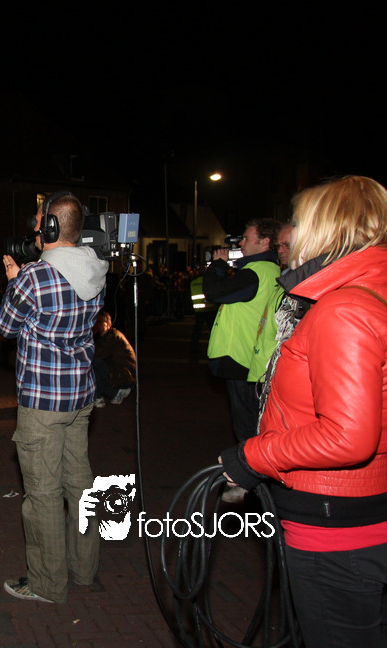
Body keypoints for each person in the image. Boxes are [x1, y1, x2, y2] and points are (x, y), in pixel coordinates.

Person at [220, 176, 387, 648]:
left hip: (336, 528)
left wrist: (252, 457)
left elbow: (347, 436)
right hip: (361, 512)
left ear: (325, 228)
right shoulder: (369, 292)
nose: (288, 232)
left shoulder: (344, 310)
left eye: (296, 221)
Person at [0, 191, 109, 603]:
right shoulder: (97, 268)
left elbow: (5, 327)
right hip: (80, 394)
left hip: (43, 399)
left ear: (50, 226)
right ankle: (83, 568)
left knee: (42, 493)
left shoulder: (34, 277)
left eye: (40, 220)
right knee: (79, 483)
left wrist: (14, 283)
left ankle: (47, 583)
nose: (35, 226)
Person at [203, 218, 282, 444]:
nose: (241, 243)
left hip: (240, 358)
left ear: (265, 241)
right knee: (257, 422)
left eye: (247, 238)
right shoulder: (270, 270)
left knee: (246, 427)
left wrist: (218, 265)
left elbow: (213, 291)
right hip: (254, 357)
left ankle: (248, 465)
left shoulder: (254, 273)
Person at [91, 310, 136, 406]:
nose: (96, 325)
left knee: (92, 365)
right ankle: (106, 395)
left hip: (122, 375)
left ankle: (104, 396)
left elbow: (95, 355)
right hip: (123, 373)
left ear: (108, 324)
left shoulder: (111, 336)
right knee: (95, 365)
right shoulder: (111, 335)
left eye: (100, 322)